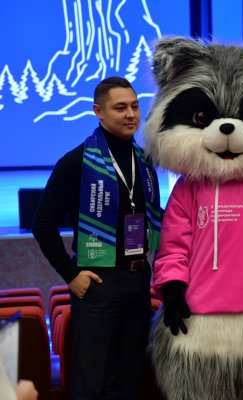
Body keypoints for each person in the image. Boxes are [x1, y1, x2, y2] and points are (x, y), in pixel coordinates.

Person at [32, 76, 162, 400]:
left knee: (130, 380)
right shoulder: (76, 162)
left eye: (135, 106)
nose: (130, 114)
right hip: (97, 284)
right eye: (120, 108)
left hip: (137, 280)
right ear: (99, 112)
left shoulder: (145, 162)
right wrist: (71, 275)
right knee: (91, 384)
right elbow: (42, 224)